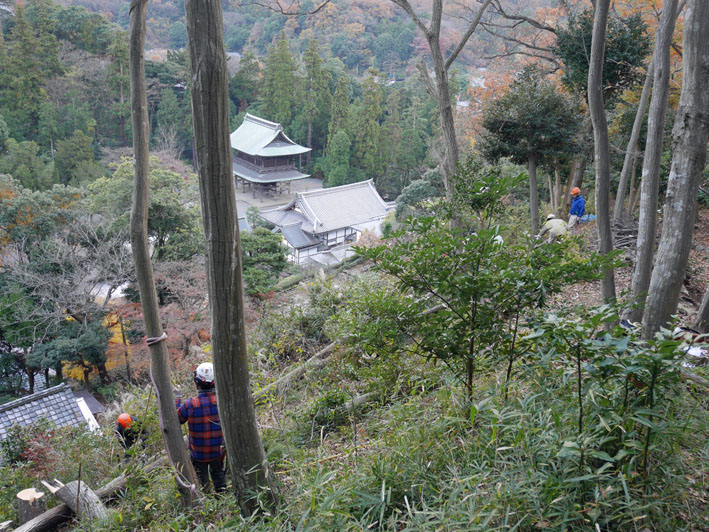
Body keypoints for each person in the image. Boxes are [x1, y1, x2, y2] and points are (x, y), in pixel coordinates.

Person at [175, 362, 226, 493]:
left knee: (202, 483)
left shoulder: (190, 404)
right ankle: (222, 496)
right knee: (219, 476)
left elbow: (177, 420)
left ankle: (207, 500)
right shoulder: (223, 401)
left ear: (196, 382)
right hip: (218, 452)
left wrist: (177, 399)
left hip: (198, 454)